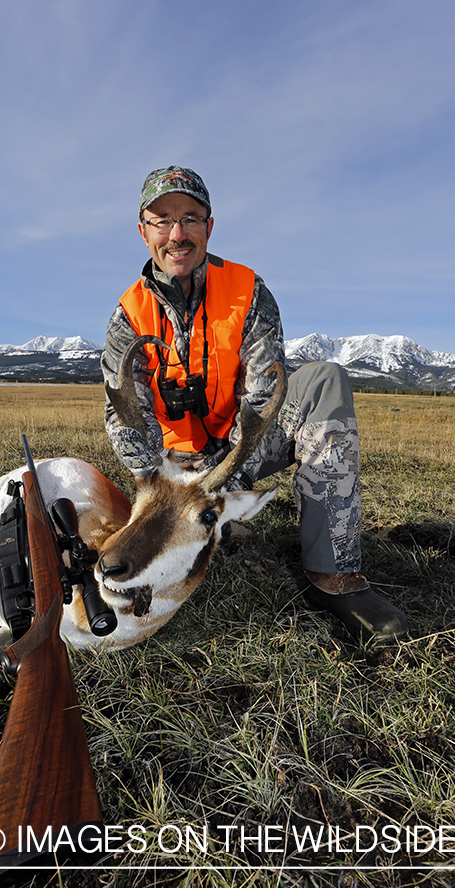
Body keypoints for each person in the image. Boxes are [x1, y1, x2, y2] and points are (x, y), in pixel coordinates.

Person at [101, 166, 408, 641]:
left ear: (209, 226)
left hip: (237, 455)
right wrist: (159, 489)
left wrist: (225, 483)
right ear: (143, 232)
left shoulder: (247, 291)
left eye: (191, 218)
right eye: (161, 220)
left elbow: (267, 392)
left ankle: (331, 574)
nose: (176, 233)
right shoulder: (129, 314)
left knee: (325, 379)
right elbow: (123, 415)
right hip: (169, 469)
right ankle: (161, 531)